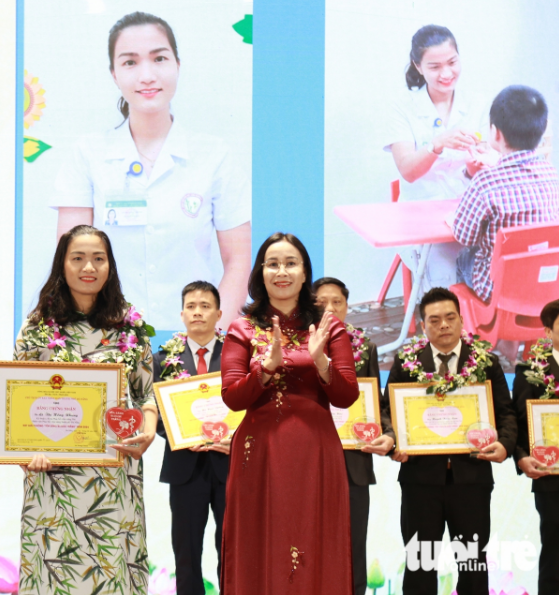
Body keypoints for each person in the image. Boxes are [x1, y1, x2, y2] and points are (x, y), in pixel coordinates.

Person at [51, 11, 252, 333]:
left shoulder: (214, 156)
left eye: (159, 58)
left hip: (195, 343)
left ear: (177, 65)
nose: (147, 75)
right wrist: (93, 341)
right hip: (108, 341)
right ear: (114, 74)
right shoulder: (87, 154)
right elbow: (71, 264)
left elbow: (239, 264)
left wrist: (205, 342)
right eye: (130, 62)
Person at [15, 225, 158, 595]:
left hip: (113, 476)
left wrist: (147, 431)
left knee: (113, 573)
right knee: (55, 574)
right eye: (77, 258)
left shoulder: (130, 325)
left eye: (98, 258)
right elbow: (17, 402)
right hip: (53, 476)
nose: (88, 267)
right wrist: (23, 453)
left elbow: (147, 395)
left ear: (110, 265)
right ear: (62, 264)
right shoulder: (37, 327)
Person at [219, 233, 359, 595]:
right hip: (259, 452)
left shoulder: (329, 328)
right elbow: (232, 398)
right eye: (273, 264)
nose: (282, 272)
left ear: (304, 273)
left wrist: (321, 361)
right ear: (260, 273)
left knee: (315, 538)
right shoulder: (242, 328)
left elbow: (346, 396)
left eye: (291, 263)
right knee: (259, 539)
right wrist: (264, 370)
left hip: (315, 450)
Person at [383, 287, 517, 595]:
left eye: (449, 317)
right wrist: (393, 442)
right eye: (434, 320)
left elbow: (506, 414)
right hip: (420, 481)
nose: (443, 325)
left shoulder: (486, 362)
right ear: (423, 325)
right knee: (420, 565)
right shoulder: (407, 363)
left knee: (472, 566)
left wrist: (505, 446)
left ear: (460, 320)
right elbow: (387, 411)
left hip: (471, 479)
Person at [383, 25, 490, 292]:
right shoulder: (402, 108)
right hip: (421, 215)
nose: (446, 73)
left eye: (452, 62)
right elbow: (407, 171)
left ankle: (486, 327)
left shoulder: (478, 103)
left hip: (469, 213)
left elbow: (485, 165)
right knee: (445, 287)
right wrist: (437, 144)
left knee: (497, 270)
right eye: (434, 66)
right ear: (418, 67)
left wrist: (475, 167)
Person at [312, 277, 394, 595]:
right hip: (308, 460)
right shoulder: (295, 347)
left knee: (353, 545)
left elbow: (374, 400)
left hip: (353, 462)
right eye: (322, 303)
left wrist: (386, 433)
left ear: (347, 307)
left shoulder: (365, 347)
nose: (330, 309)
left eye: (338, 302)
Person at [153, 281, 229, 595]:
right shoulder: (163, 360)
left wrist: (233, 440)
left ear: (219, 313)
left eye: (205, 306)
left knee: (232, 549)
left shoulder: (237, 357)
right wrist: (179, 434)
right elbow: (156, 413)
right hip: (184, 468)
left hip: (230, 466)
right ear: (182, 314)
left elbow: (251, 408)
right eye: (191, 306)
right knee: (186, 553)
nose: (198, 312)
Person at [453, 85, 559, 304]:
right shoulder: (553, 174)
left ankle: (478, 328)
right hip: (544, 284)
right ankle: (515, 334)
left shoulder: (486, 182)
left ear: (496, 133)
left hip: (497, 289)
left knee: (463, 257)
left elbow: (464, 237)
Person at [511, 299, 559, 595]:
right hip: (552, 477)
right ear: (548, 332)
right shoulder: (530, 371)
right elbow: (518, 420)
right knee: (555, 550)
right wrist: (522, 457)